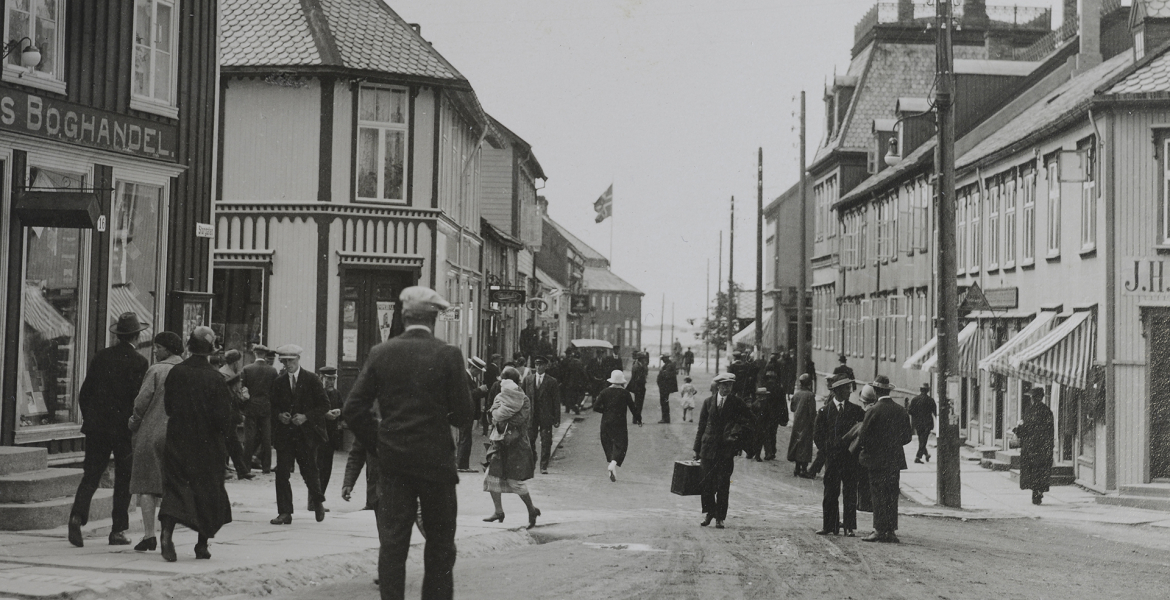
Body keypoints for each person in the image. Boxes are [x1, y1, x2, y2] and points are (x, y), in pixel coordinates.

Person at [343, 286, 473, 600]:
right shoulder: (448, 355)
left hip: (394, 464)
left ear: (403, 316)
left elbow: (353, 409)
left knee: (393, 545)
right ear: (434, 318)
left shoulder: (381, 353)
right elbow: (463, 416)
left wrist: (380, 441)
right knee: (440, 545)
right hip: (436, 465)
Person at [68, 312, 149, 548]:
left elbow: (85, 394)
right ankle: (117, 531)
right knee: (124, 480)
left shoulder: (101, 357)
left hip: (97, 428)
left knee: (91, 475)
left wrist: (92, 419)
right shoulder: (140, 362)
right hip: (124, 431)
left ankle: (76, 516)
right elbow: (139, 399)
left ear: (118, 335)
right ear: (136, 335)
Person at [158, 326, 234, 562]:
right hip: (207, 445)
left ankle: (166, 534)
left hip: (177, 440)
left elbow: (168, 407)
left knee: (175, 487)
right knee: (208, 492)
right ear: (211, 351)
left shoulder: (176, 372)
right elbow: (223, 418)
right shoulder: (215, 378)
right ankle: (201, 545)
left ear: (189, 346)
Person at [127, 331, 184, 552]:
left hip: (151, 433)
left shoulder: (156, 370)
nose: (155, 351)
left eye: (158, 347)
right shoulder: (186, 370)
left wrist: (134, 422)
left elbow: (141, 402)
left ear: (167, 349)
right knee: (171, 487)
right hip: (177, 435)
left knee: (146, 485)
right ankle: (167, 535)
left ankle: (149, 535)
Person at [269, 344, 330, 525]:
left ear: (298, 360)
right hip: (285, 435)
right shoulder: (278, 382)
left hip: (306, 435)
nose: (288, 364)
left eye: (291, 360)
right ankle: (285, 512)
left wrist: (306, 417)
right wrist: (280, 415)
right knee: (282, 473)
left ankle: (318, 501)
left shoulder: (311, 379)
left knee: (309, 471)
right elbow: (271, 407)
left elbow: (324, 405)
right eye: (285, 361)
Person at [482, 367, 541, 529]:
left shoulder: (524, 399)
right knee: (491, 477)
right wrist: (494, 416)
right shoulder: (501, 395)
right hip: (499, 444)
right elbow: (491, 412)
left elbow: (520, 420)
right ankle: (499, 511)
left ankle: (531, 510)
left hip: (516, 445)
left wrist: (499, 418)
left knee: (515, 482)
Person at [857, 377, 913, 543]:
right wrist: (893, 444)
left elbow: (863, 436)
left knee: (877, 494)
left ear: (875, 391)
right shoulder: (900, 410)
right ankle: (890, 530)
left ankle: (878, 530)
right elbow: (908, 437)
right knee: (891, 494)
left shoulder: (873, 411)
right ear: (889, 390)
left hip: (876, 460)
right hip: (894, 460)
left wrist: (873, 447)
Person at [693, 372, 751, 529]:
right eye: (724, 385)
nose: (727, 389)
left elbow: (748, 421)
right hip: (707, 449)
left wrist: (737, 437)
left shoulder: (737, 403)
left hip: (725, 451)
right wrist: (696, 448)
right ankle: (709, 513)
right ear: (718, 386)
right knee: (706, 484)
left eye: (730, 386)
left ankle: (720, 517)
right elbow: (701, 426)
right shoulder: (708, 402)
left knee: (723, 485)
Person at [814, 373, 865, 537]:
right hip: (832, 459)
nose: (849, 391)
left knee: (850, 493)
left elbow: (862, 433)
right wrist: (827, 450)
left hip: (850, 459)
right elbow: (817, 436)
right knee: (830, 492)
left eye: (849, 388)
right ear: (836, 391)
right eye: (846, 389)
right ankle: (829, 525)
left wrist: (855, 450)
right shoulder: (824, 412)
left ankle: (849, 526)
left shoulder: (856, 411)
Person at [593, 370, 636, 482]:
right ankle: (613, 464)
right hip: (620, 423)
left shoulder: (604, 392)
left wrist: (606, 411)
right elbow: (633, 408)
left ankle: (612, 466)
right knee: (621, 444)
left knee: (608, 443)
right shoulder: (625, 393)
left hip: (606, 422)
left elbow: (595, 407)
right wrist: (639, 419)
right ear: (621, 381)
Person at [217, 349, 254, 480]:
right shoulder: (226, 374)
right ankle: (233, 470)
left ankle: (240, 471)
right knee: (229, 443)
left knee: (232, 443)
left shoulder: (226, 372)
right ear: (236, 362)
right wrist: (243, 396)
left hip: (230, 412)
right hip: (227, 412)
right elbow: (231, 394)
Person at [1015, 387, 1054, 505]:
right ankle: (1039, 491)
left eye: (1031, 397)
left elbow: (1026, 429)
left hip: (1031, 446)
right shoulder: (1047, 411)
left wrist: (1017, 430)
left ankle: (1035, 491)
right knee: (1041, 470)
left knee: (1032, 470)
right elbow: (1050, 431)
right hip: (1043, 446)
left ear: (1033, 398)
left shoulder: (1030, 411)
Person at [242, 344, 278, 473]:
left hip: (251, 407)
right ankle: (266, 467)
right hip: (266, 407)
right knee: (266, 438)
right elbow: (275, 392)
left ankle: (246, 467)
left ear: (254, 353)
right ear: (265, 354)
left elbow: (243, 390)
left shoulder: (247, 369)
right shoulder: (272, 371)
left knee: (249, 438)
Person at [523, 356, 561, 475]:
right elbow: (523, 398)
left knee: (546, 441)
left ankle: (543, 466)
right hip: (531, 416)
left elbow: (556, 401)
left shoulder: (551, 381)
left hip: (546, 416)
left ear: (546, 366)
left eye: (541, 365)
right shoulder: (528, 380)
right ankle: (532, 463)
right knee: (530, 440)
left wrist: (556, 418)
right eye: (537, 365)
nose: (538, 367)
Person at [317, 366, 344, 507]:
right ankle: (314, 500)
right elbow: (309, 411)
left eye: (333, 379)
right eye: (328, 379)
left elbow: (343, 408)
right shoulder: (316, 393)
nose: (331, 382)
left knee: (326, 470)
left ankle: (319, 499)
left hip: (331, 437)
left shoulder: (336, 394)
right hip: (318, 436)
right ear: (321, 378)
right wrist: (324, 414)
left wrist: (339, 411)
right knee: (317, 469)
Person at [460, 357, 489, 472]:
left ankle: (463, 465)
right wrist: (480, 390)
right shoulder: (464, 378)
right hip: (464, 412)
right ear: (472, 368)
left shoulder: (470, 378)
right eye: (478, 371)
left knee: (466, 438)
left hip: (468, 413)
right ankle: (462, 465)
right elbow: (466, 395)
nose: (478, 374)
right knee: (465, 438)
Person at [787, 374, 817, 478]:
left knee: (797, 444)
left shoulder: (797, 394)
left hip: (797, 423)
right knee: (805, 446)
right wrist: (815, 423)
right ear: (809, 383)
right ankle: (803, 469)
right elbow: (812, 412)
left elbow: (792, 408)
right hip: (807, 424)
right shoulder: (810, 395)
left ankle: (797, 468)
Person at [760, 368, 789, 460]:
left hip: (766, 414)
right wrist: (784, 417)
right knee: (773, 433)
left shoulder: (764, 387)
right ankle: (772, 451)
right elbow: (784, 404)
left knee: (767, 433)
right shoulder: (780, 389)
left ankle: (769, 452)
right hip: (775, 415)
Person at [908, 383, 937, 464]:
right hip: (928, 423)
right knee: (923, 440)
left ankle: (926, 454)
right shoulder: (931, 400)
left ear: (920, 390)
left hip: (918, 423)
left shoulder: (915, 399)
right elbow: (935, 412)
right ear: (928, 390)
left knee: (922, 440)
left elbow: (910, 411)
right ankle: (918, 457)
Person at [656, 355, 679, 423]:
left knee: (664, 403)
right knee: (664, 402)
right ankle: (665, 418)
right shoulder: (668, 364)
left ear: (666, 358)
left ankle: (665, 418)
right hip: (664, 387)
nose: (662, 360)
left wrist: (661, 372)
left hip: (665, 387)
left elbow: (667, 375)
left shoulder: (669, 365)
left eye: (663, 358)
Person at [628, 352, 648, 425]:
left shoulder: (639, 365)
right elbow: (637, 378)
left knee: (639, 403)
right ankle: (636, 419)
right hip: (638, 387)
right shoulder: (637, 366)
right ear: (640, 359)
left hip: (640, 387)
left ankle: (636, 418)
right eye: (643, 358)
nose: (645, 360)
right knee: (638, 403)